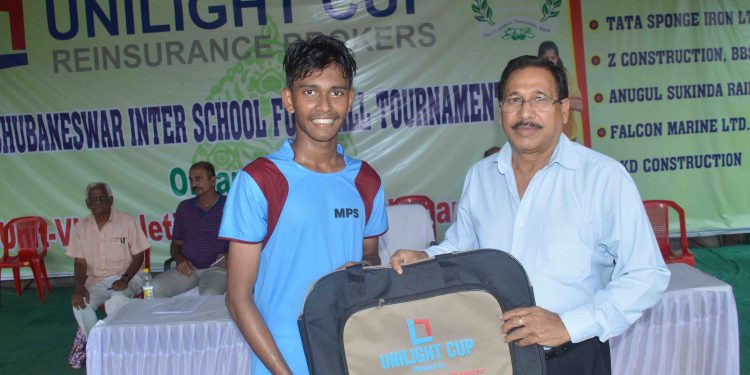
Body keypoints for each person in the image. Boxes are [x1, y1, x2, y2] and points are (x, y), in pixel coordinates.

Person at [390, 55, 670, 374]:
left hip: (573, 357)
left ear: (563, 110)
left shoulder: (602, 177)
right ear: (500, 112)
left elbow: (646, 274)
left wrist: (568, 325)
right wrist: (425, 258)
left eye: (539, 99)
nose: (525, 113)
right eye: (514, 100)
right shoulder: (481, 177)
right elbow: (463, 249)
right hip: (493, 356)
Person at [220, 35, 388, 375]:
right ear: (289, 99)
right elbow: (237, 298)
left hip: (352, 356)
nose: (325, 106)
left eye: (336, 92)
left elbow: (371, 257)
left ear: (350, 99)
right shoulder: (259, 180)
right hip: (283, 362)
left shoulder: (366, 180)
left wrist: (363, 268)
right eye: (310, 91)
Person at [67, 182, 150, 337]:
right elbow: (80, 262)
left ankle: (120, 344)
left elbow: (139, 255)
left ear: (111, 200)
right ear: (87, 204)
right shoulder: (81, 227)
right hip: (97, 281)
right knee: (80, 304)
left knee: (116, 300)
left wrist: (125, 278)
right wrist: (79, 288)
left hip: (129, 277)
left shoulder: (127, 221)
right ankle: (97, 344)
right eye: (94, 199)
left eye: (102, 198)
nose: (98, 202)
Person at [153, 161, 228, 297]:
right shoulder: (184, 207)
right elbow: (176, 244)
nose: (194, 184)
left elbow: (244, 242)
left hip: (218, 268)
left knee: (209, 295)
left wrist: (231, 256)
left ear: (212, 181)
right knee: (154, 287)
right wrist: (180, 259)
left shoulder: (229, 205)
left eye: (198, 179)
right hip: (189, 268)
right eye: (191, 180)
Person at [538, 41, 584, 142]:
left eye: (553, 58)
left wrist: (555, 100)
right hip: (543, 137)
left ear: (557, 59)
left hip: (567, 136)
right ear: (540, 59)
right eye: (546, 58)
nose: (550, 61)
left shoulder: (565, 76)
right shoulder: (534, 78)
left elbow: (579, 105)